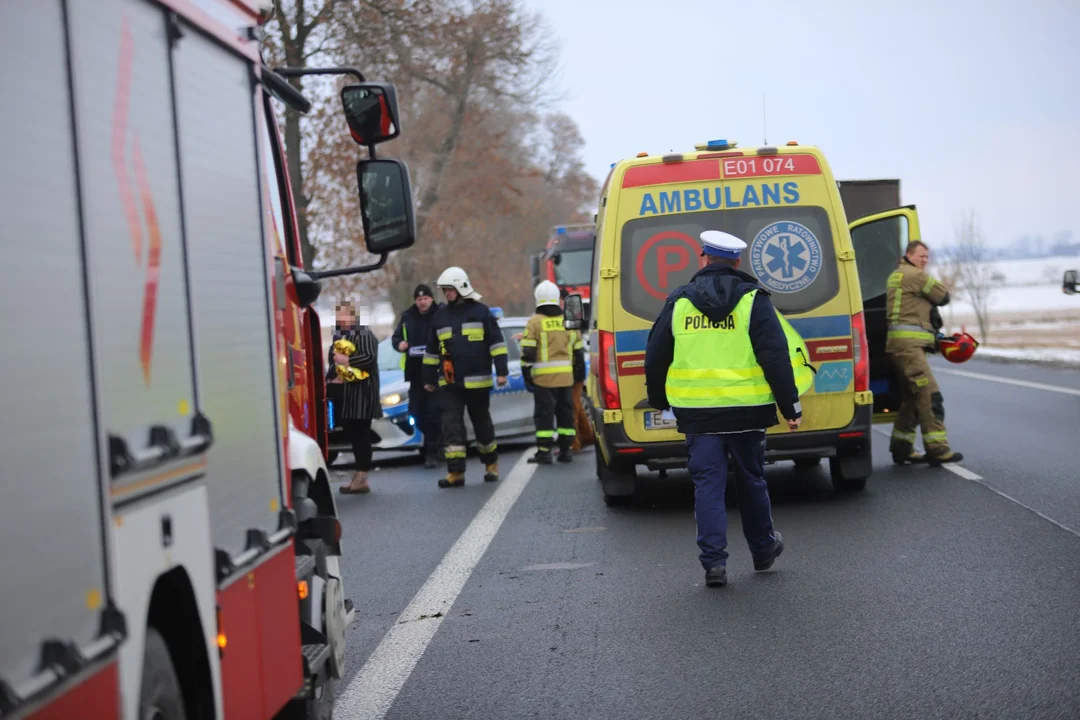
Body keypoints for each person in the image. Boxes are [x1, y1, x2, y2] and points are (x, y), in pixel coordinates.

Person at [644, 230, 813, 588]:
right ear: (737, 263)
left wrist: (661, 402)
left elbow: (656, 356)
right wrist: (790, 406)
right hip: (748, 412)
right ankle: (763, 549)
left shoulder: (679, 302)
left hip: (698, 414)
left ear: (702, 257)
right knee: (751, 480)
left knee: (708, 484)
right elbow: (775, 356)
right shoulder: (754, 300)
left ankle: (714, 564)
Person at [422, 267, 508, 488]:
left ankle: (491, 465)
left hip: (478, 381)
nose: (447, 294)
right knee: (451, 426)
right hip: (450, 383)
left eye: (449, 290)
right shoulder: (440, 316)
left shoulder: (481, 312)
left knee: (482, 424)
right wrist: (429, 379)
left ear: (461, 288)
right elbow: (432, 351)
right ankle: (456, 472)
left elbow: (497, 344)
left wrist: (502, 371)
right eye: (445, 290)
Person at [885, 240, 964, 466]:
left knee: (911, 398)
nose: (925, 261)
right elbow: (943, 297)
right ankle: (938, 450)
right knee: (930, 396)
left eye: (927, 257)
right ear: (909, 255)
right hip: (909, 348)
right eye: (921, 256)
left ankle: (902, 449)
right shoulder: (916, 276)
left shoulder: (895, 275)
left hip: (898, 347)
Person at [521, 281, 585, 464]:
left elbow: (528, 353)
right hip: (566, 379)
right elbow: (578, 352)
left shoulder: (534, 322)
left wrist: (527, 373)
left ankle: (544, 452)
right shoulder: (569, 319)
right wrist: (579, 375)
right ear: (557, 299)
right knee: (566, 414)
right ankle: (566, 450)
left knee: (544, 416)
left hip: (543, 380)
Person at [327, 301, 382, 494]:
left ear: (354, 316)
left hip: (362, 394)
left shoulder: (364, 334)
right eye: (339, 315)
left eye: (345, 315)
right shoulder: (339, 337)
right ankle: (359, 475)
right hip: (346, 395)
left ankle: (362, 477)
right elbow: (332, 363)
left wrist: (346, 360)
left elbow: (369, 358)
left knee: (361, 433)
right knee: (352, 432)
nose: (341, 319)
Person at [391, 284, 443, 468]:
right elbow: (395, 338)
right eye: (419, 299)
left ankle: (432, 453)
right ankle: (438, 441)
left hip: (436, 372)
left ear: (431, 299)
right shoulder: (407, 316)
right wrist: (400, 345)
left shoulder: (440, 313)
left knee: (433, 414)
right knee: (416, 413)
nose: (422, 302)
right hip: (415, 373)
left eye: (425, 299)